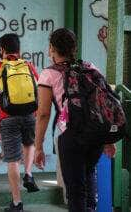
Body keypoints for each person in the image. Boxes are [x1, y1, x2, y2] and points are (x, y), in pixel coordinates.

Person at [34, 28, 117, 212]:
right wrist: (108, 140)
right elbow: (104, 104)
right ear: (74, 48)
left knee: (75, 190)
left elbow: (43, 114)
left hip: (70, 136)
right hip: (95, 134)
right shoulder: (90, 68)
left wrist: (38, 146)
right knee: (88, 176)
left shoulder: (48, 74)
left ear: (52, 49)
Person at [0, 33, 39, 212]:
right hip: (30, 115)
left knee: (13, 160)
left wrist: (2, 102)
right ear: (18, 49)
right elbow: (38, 90)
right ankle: (29, 173)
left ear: (1, 49)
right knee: (29, 144)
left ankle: (17, 203)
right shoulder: (28, 65)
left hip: (8, 118)